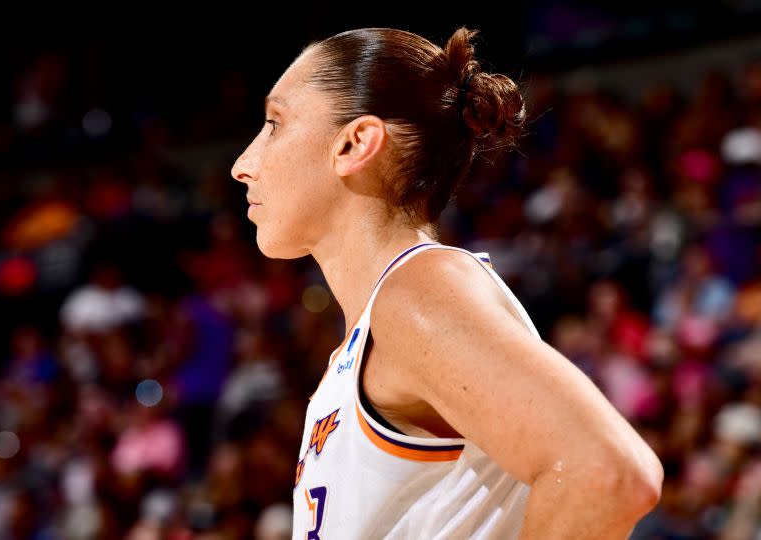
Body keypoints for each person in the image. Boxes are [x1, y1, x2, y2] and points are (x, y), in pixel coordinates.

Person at [230, 26, 664, 539]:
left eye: (274, 123)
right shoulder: (378, 323)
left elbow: (607, 473)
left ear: (354, 143)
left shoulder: (417, 291)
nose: (242, 165)